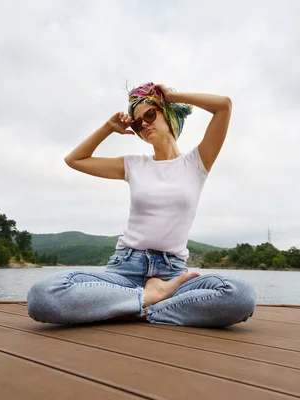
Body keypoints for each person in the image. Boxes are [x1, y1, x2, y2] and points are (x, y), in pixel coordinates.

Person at [27, 82, 256, 327]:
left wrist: (172, 96)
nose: (144, 124)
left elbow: (224, 107)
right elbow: (74, 159)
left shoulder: (197, 163)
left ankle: (139, 308)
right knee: (43, 295)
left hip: (172, 275)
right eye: (137, 123)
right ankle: (147, 299)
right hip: (124, 270)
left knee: (239, 294)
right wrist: (108, 127)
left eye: (149, 114)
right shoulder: (134, 165)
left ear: (166, 113)